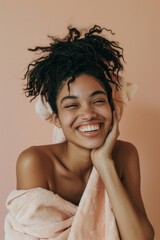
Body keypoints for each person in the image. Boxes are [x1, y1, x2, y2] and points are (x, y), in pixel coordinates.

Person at [10, 25, 154, 239]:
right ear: (56, 119)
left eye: (98, 101)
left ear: (113, 109)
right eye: (71, 105)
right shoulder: (34, 162)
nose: (88, 114)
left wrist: (105, 165)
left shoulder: (125, 155)